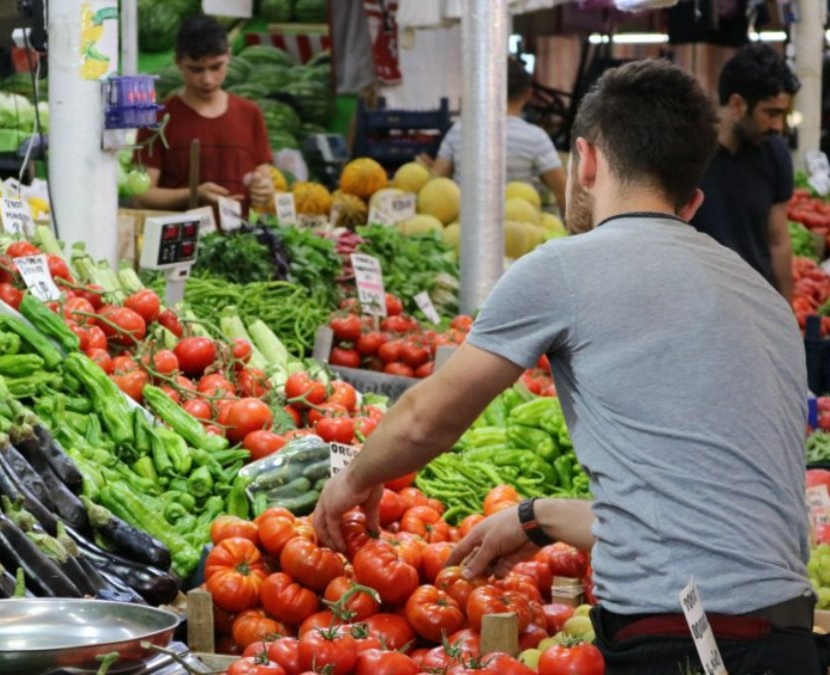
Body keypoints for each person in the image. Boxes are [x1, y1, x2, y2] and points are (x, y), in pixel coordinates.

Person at [312, 59, 820, 674]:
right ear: (693, 199)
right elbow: (702, 520)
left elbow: (425, 421)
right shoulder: (764, 298)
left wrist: (350, 483)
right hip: (789, 639)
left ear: (585, 160)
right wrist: (536, 516)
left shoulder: (564, 268)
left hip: (676, 640)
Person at [690, 43, 800, 301]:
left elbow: (778, 241)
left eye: (782, 114)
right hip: (698, 303)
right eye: (771, 113)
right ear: (738, 104)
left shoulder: (775, 153)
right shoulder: (689, 154)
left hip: (755, 303)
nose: (778, 126)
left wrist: (787, 313)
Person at [133, 16, 274, 212]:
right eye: (196, 69)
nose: (207, 79)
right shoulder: (157, 119)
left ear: (229, 56)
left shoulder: (250, 113)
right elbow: (142, 195)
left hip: (240, 238)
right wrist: (194, 193)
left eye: (216, 67)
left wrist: (264, 187)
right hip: (180, 237)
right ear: (178, 63)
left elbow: (263, 175)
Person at [423, 58, 567, 215]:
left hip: (465, 227)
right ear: (528, 94)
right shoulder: (536, 138)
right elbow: (563, 193)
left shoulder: (459, 130)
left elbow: (435, 183)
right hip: (519, 227)